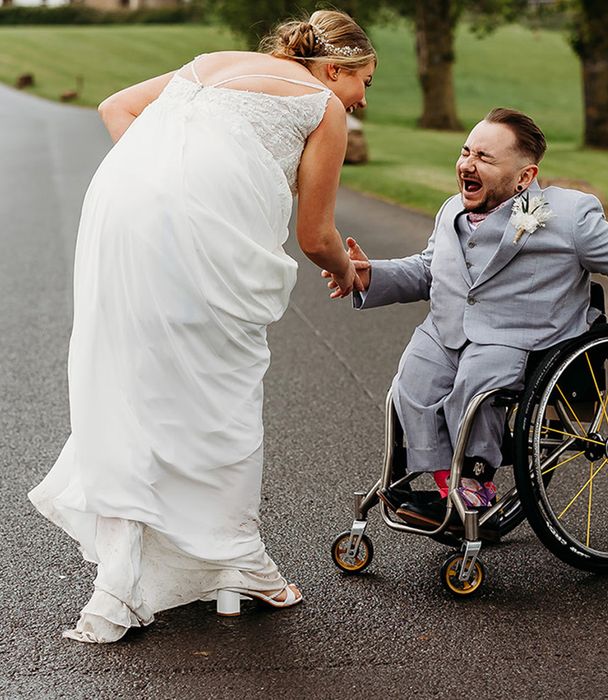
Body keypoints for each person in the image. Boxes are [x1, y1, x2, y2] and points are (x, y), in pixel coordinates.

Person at [28, 10, 375, 643]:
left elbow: (114, 109)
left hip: (120, 215)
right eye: (363, 82)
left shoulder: (212, 63)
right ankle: (237, 564)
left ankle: (127, 578)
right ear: (334, 69)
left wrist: (169, 179)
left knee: (130, 383)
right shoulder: (323, 105)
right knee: (222, 394)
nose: (359, 100)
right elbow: (315, 234)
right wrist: (348, 271)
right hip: (205, 237)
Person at [324, 107, 608, 529]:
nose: (466, 165)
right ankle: (445, 483)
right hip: (446, 331)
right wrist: (370, 276)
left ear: (525, 177)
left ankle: (474, 487)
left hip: (521, 337)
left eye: (484, 158)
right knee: (411, 385)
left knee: (474, 387)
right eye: (465, 152)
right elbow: (429, 269)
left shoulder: (570, 218)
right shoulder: (450, 211)